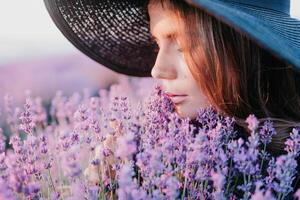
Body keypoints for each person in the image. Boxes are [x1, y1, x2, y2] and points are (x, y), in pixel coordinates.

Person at [44, 0, 300, 193]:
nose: (157, 69)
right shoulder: (154, 152)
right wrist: (108, 186)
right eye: (158, 44)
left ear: (244, 47)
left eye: (183, 45)